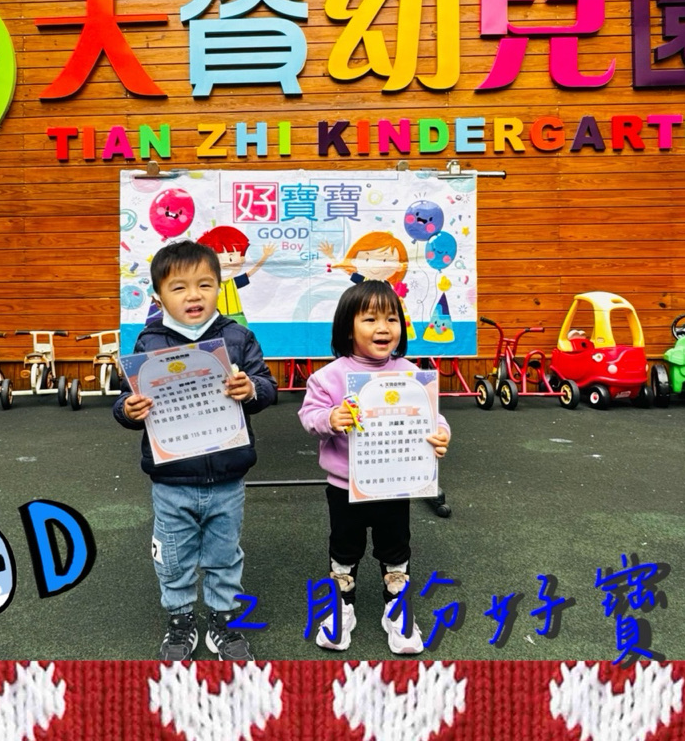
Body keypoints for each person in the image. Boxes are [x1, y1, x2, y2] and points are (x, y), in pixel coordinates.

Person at [113, 240, 278, 661]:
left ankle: (223, 621)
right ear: (158, 296)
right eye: (179, 287)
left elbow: (267, 386)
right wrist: (128, 410)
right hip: (172, 480)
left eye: (205, 285)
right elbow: (125, 399)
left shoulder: (237, 337)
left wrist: (251, 389)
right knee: (173, 557)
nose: (194, 295)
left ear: (219, 287)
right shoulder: (148, 343)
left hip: (228, 477)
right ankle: (180, 619)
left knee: (225, 555)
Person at [298, 280, 450, 654]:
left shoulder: (411, 372)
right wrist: (330, 418)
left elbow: (433, 418)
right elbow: (309, 415)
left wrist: (441, 434)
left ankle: (397, 610)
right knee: (343, 549)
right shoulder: (329, 376)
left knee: (395, 549)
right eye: (370, 319)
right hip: (344, 486)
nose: (383, 328)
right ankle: (342, 608)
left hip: (396, 484)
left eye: (391, 319)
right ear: (347, 328)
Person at [196, 225, 275, 325]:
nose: (224, 265)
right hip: (215, 316)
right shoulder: (210, 284)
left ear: (242, 258)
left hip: (236, 314)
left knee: (242, 333)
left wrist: (265, 256)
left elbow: (250, 273)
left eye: (231, 259)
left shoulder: (233, 282)